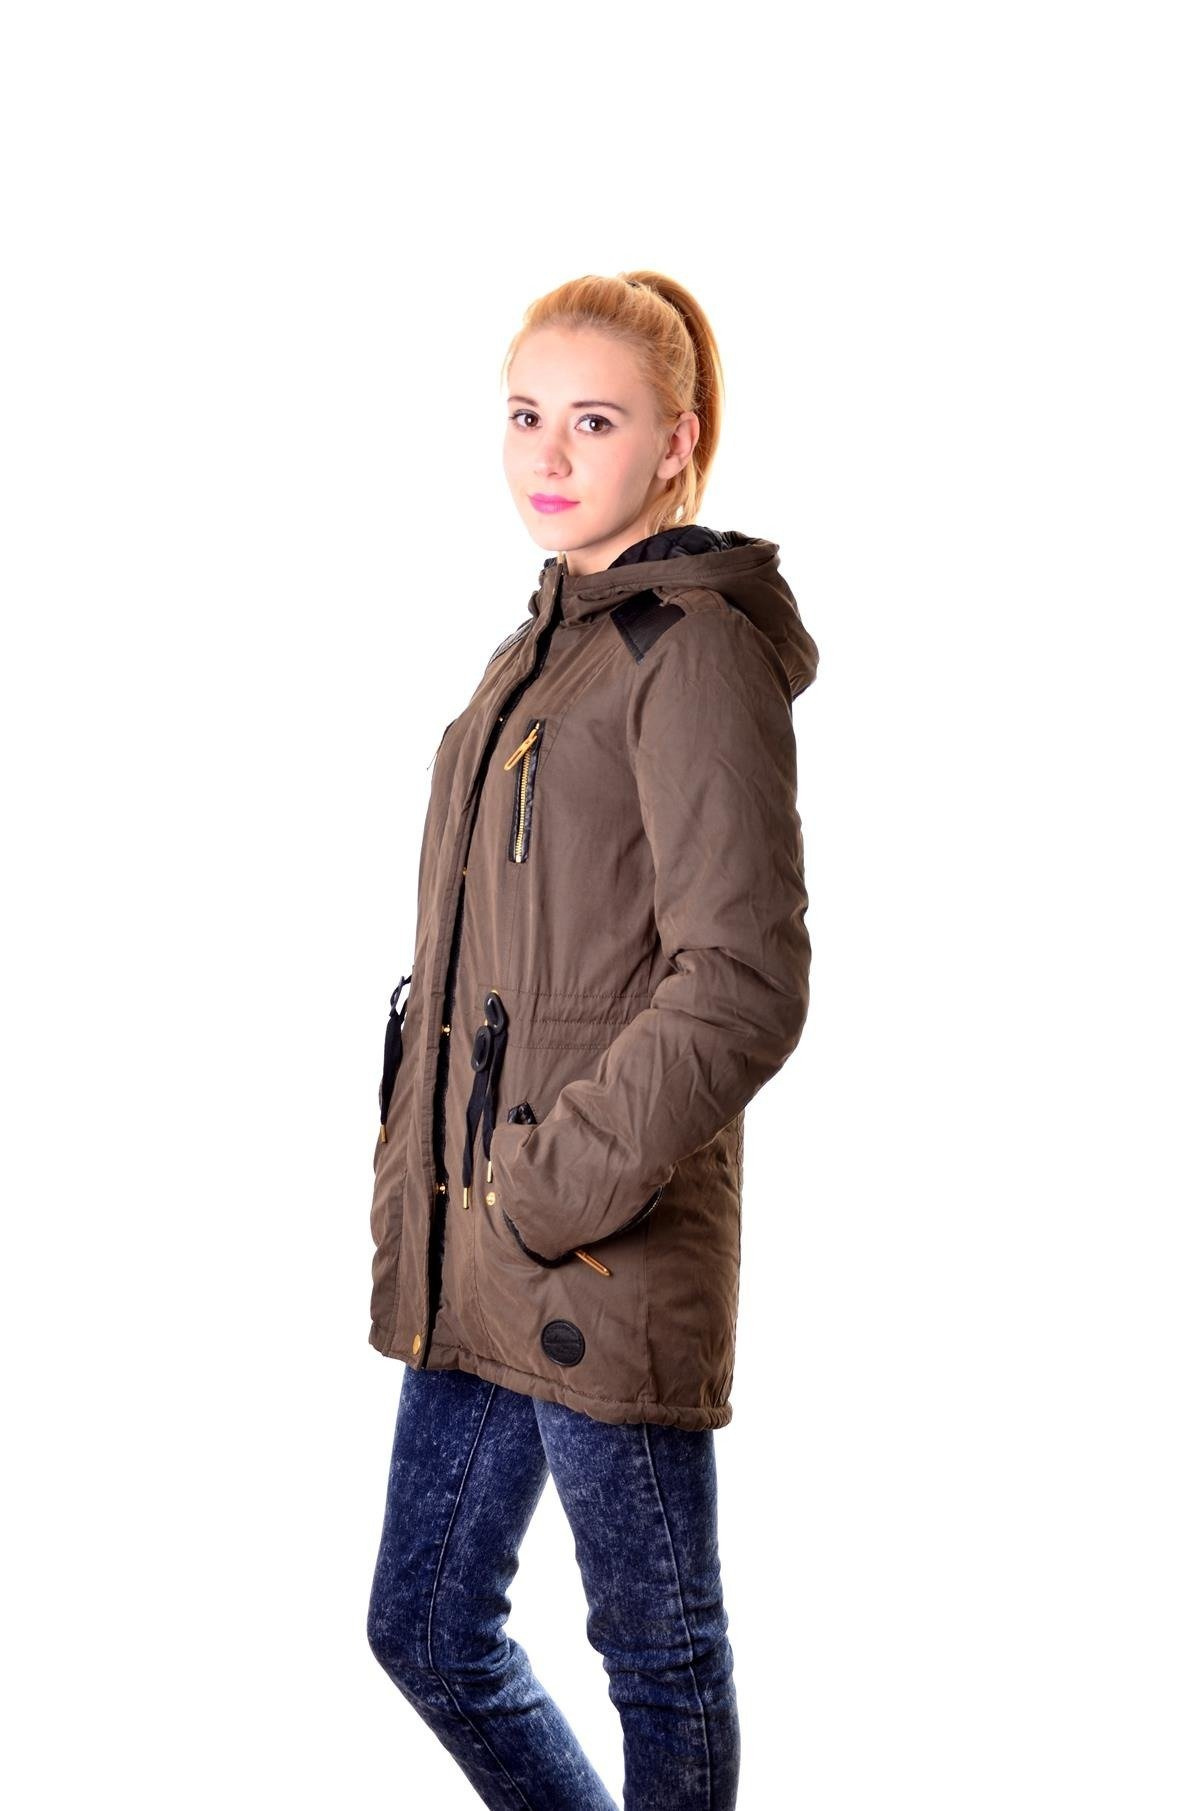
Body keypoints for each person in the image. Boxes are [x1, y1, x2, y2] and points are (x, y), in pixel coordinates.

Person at [365, 269, 819, 1809]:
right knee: (426, 1625)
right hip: (490, 1230)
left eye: (595, 421)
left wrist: (554, 1185)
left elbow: (743, 979)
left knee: (657, 1658)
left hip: (592, 1241)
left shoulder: (689, 649)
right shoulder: (546, 640)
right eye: (525, 415)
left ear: (676, 442)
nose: (548, 454)